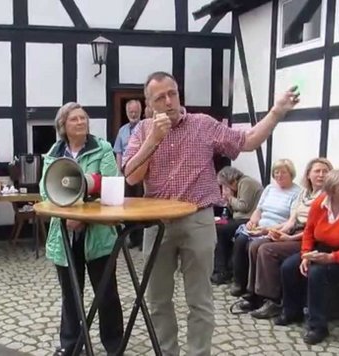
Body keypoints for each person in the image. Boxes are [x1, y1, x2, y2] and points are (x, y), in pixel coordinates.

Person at [122, 71, 299, 355]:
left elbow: (248, 140)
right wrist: (153, 139)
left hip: (198, 219)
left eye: (173, 93)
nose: (169, 101)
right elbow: (131, 176)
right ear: (149, 103)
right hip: (157, 223)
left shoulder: (202, 124)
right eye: (160, 97)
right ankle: (166, 352)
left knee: (200, 300)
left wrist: (276, 112)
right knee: (157, 300)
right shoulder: (143, 130)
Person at [40, 102, 124, 356]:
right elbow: (47, 190)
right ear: (63, 126)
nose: (81, 122)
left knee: (106, 293)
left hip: (98, 235)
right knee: (70, 295)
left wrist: (83, 215)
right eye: (74, 119)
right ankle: (71, 345)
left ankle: (114, 345)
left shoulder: (102, 149)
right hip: (64, 234)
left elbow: (111, 186)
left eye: (83, 118)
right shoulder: (54, 154)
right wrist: (68, 214)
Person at [275, 169, 339, 345]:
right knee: (289, 266)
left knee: (317, 273)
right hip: (321, 248)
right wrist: (306, 254)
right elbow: (309, 231)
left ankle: (318, 326)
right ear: (331, 192)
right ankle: (291, 311)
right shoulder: (320, 204)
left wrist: (331, 258)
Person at [245, 158, 333, 319]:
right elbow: (292, 220)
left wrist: (288, 238)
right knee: (255, 244)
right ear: (308, 175)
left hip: (309, 239)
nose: (321, 175)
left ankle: (273, 301)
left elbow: (314, 230)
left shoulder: (327, 197)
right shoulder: (304, 193)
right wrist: (274, 231)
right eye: (317, 171)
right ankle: (255, 294)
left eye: (325, 171)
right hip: (294, 231)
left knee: (267, 250)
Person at [230, 159, 301, 298]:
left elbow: (291, 220)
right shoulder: (269, 188)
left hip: (277, 228)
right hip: (260, 225)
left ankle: (255, 291)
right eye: (276, 172)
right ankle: (239, 282)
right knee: (240, 240)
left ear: (291, 174)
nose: (279, 175)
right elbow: (259, 209)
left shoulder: (297, 192)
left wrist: (268, 229)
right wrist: (252, 221)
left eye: (283, 172)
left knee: (254, 246)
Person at [211, 166, 263, 285]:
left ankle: (221, 271)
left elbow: (243, 207)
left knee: (221, 230)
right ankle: (223, 268)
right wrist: (227, 201)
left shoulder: (246, 183)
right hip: (241, 218)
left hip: (250, 220)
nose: (224, 188)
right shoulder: (239, 186)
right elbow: (235, 211)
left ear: (231, 181)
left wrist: (229, 197)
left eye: (225, 185)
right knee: (218, 228)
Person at [114, 100, 145, 249]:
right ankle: (133, 238)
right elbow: (118, 151)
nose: (133, 114)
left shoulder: (146, 127)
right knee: (128, 206)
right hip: (126, 175)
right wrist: (119, 170)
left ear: (140, 112)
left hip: (142, 173)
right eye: (131, 112)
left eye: (136, 112)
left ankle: (143, 239)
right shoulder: (122, 130)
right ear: (127, 113)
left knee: (143, 207)